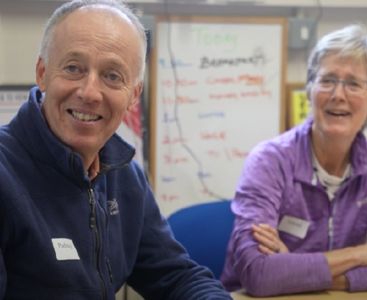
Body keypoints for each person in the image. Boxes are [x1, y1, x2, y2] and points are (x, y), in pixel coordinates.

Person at [0, 1, 232, 299]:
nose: (89, 92)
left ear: (133, 94)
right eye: (73, 68)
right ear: (42, 72)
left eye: (112, 76)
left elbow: (175, 276)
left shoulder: (123, 175)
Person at [221, 24, 367, 297]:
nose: (338, 95)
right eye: (327, 80)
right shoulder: (269, 161)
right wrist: (364, 253)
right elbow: (258, 274)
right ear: (309, 90)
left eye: (353, 83)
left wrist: (295, 270)